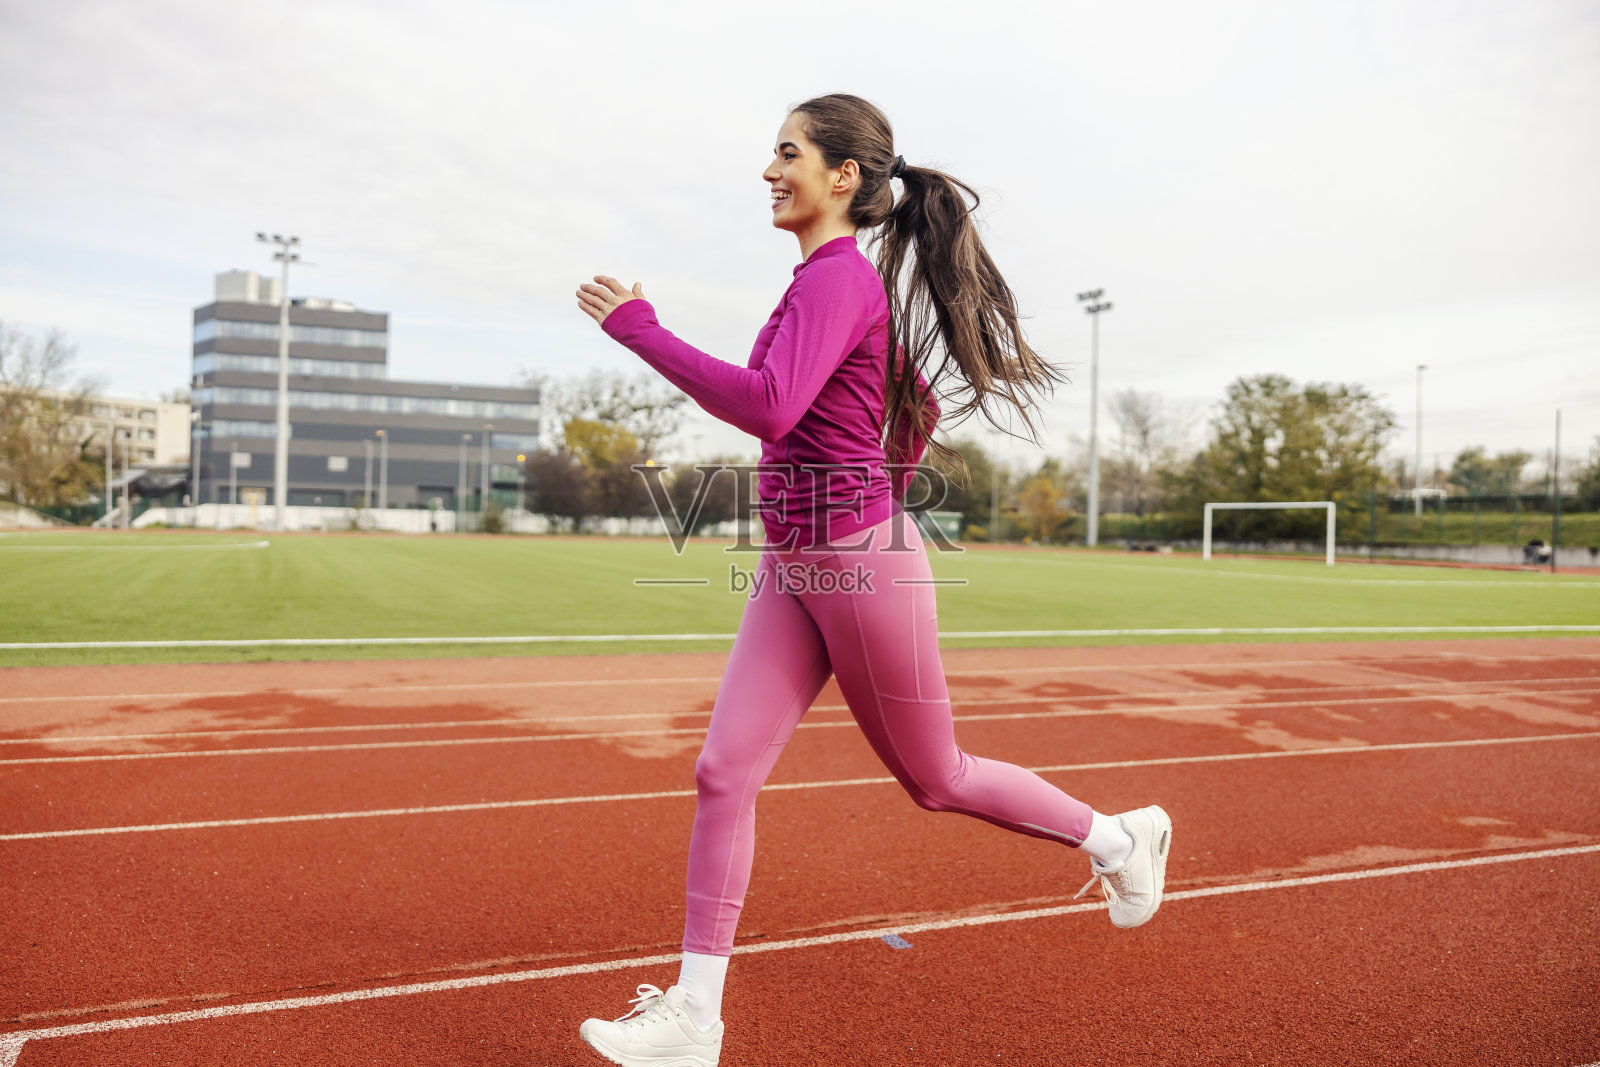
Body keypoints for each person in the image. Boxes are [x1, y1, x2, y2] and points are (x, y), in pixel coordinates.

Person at [573, 92, 1171, 1067]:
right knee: (723, 771)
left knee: (936, 777)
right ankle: (693, 1016)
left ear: (842, 175)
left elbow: (771, 406)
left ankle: (1119, 839)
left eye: (788, 153)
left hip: (855, 561)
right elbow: (915, 400)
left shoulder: (838, 279)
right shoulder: (824, 285)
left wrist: (640, 328)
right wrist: (872, 480)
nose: (770, 171)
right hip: (794, 562)